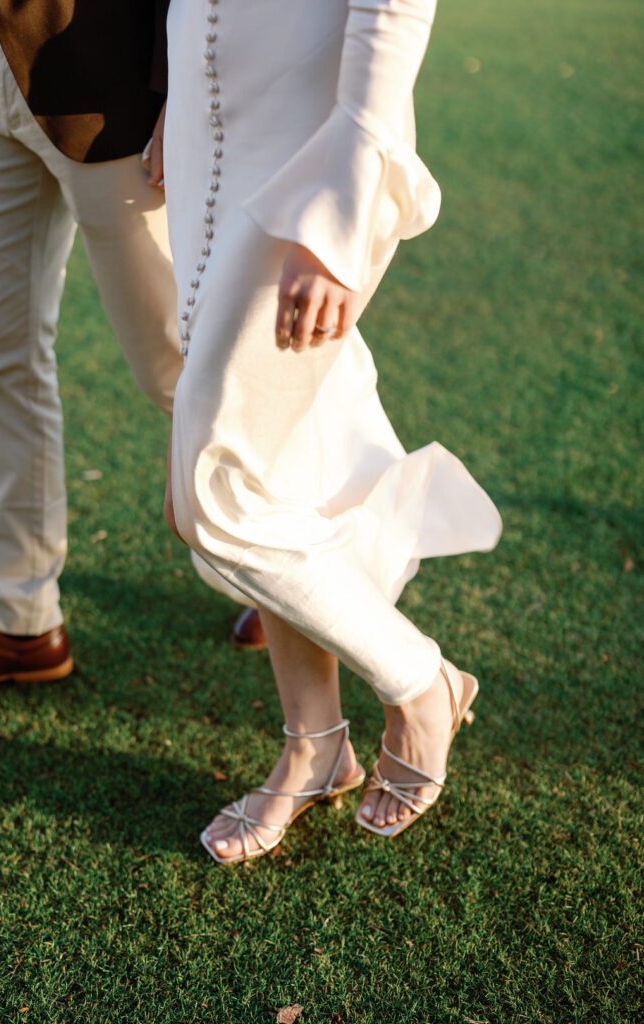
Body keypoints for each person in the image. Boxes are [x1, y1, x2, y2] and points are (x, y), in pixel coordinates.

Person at [163, 0, 503, 862]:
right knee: (282, 472)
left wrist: (339, 219)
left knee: (210, 495)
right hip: (217, 128)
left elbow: (390, 10)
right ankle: (314, 745)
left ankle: (420, 681)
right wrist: (189, 91)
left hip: (316, 160)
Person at [0, 0, 263, 699]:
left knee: (182, 357)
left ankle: (307, 570)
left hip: (107, 73)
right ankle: (17, 617)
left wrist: (180, 84)